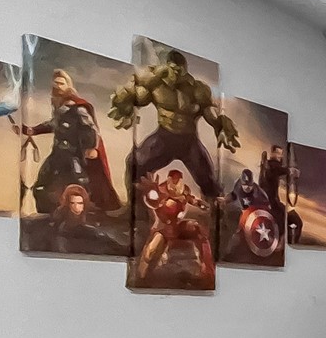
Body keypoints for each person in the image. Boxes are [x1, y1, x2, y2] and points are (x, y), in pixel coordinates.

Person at [109, 48, 237, 196]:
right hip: (164, 138)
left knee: (209, 182)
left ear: (185, 70)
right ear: (167, 67)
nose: (176, 74)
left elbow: (210, 112)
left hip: (189, 142)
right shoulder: (156, 85)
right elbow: (135, 98)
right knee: (133, 163)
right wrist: (124, 106)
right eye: (173, 70)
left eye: (180, 71)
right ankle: (132, 205)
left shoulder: (197, 89)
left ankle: (216, 209)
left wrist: (220, 126)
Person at [22, 69, 122, 215]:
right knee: (43, 183)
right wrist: (32, 130)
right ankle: (49, 214)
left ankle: (84, 214)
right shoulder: (60, 108)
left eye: (61, 83)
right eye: (55, 83)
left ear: (68, 86)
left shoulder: (78, 108)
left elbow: (90, 128)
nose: (57, 86)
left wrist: (92, 147)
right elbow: (53, 124)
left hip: (73, 155)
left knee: (79, 182)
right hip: (57, 154)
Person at [137, 168, 213, 283]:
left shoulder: (184, 190)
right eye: (173, 182)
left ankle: (207, 271)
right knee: (151, 251)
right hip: (163, 229)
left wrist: (199, 203)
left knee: (198, 230)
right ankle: (142, 276)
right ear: (168, 181)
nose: (176, 187)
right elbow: (152, 201)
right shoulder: (160, 191)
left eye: (178, 182)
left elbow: (190, 198)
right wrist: (152, 194)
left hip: (178, 226)